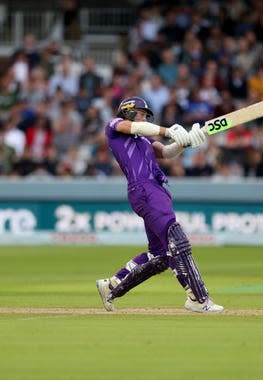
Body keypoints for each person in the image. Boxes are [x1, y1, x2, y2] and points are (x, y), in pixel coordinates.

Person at [95, 96, 224, 313]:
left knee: (161, 256)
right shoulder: (114, 126)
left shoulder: (144, 141)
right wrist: (168, 130)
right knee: (177, 240)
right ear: (127, 111)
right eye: (142, 113)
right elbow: (136, 126)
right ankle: (198, 298)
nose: (145, 117)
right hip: (143, 189)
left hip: (156, 190)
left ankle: (112, 285)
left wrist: (187, 141)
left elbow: (166, 152)